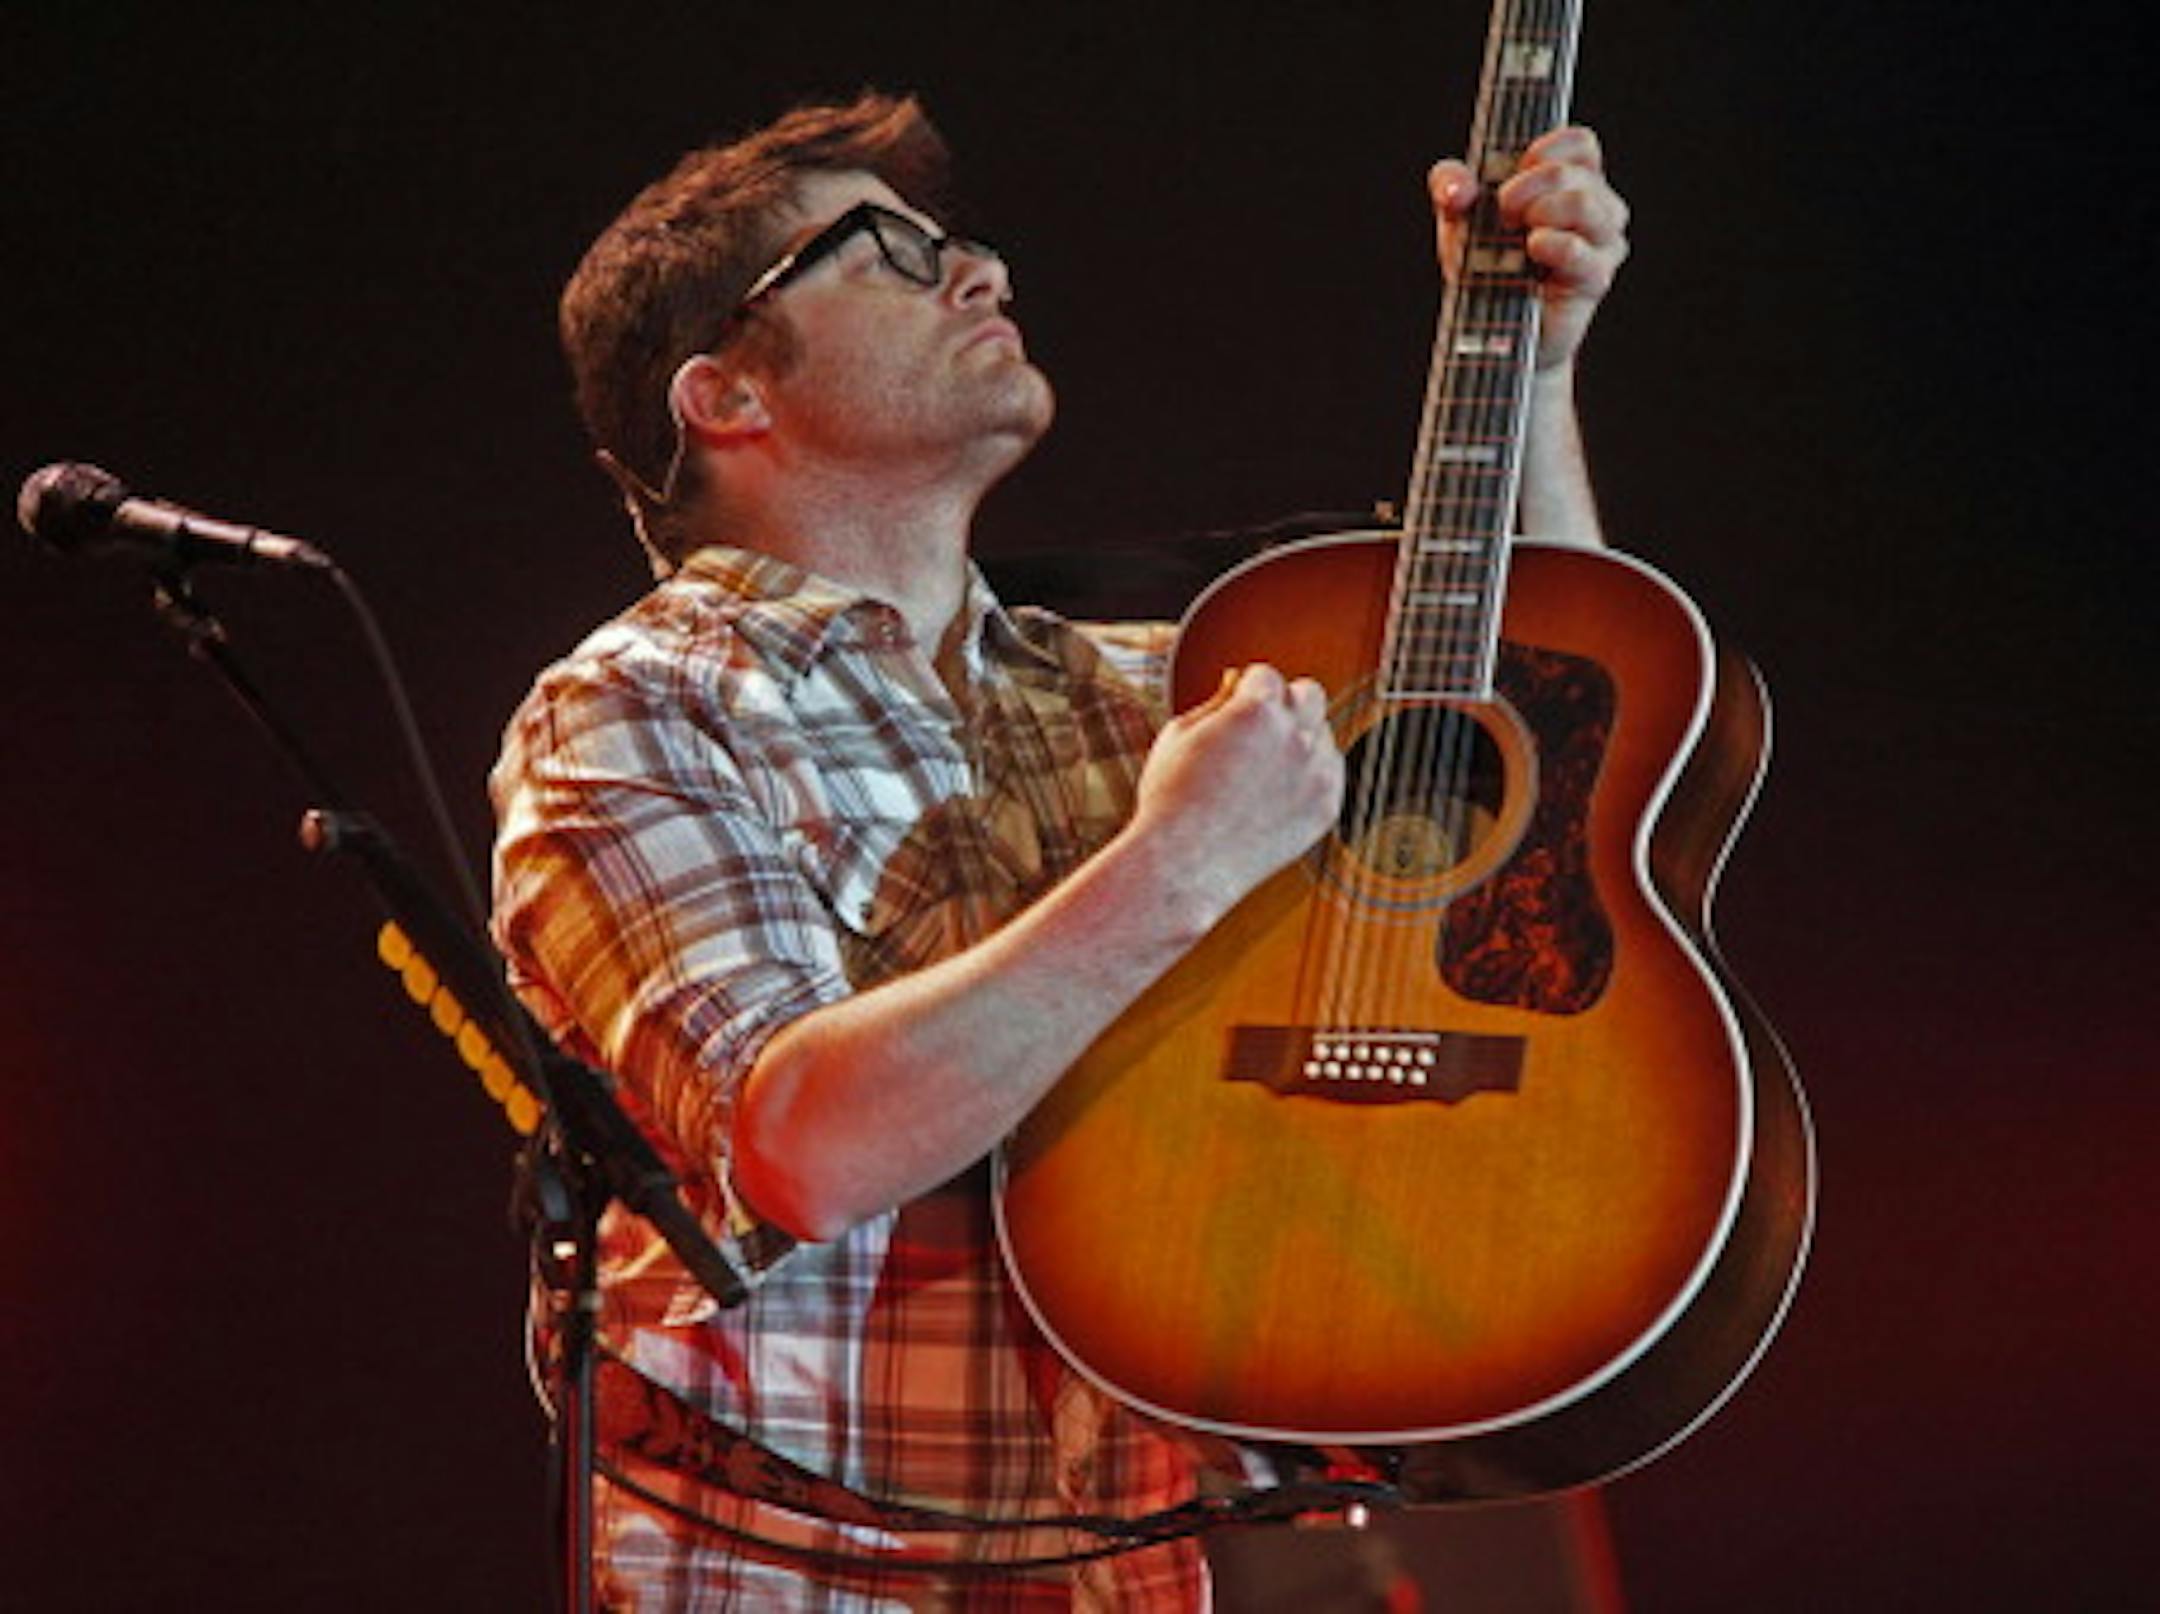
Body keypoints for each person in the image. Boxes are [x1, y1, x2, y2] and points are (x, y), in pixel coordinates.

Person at [491, 91, 1629, 1610]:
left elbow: (1542, 738)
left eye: (965, 245)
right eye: (886, 252)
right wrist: (1174, 864)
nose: (984, 274)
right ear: (725, 396)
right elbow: (806, 1143)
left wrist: (1536, 373)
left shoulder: (1140, 689)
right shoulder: (635, 706)